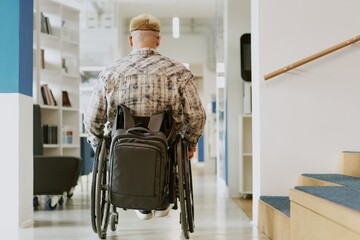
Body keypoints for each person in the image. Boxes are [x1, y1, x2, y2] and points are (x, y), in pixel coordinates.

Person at [83, 13, 206, 220]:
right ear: (158, 40)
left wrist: (99, 146)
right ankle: (161, 198)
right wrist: (191, 142)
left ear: (131, 40)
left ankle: (139, 203)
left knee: (113, 143)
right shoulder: (178, 71)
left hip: (122, 145)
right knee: (171, 144)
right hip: (164, 142)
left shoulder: (111, 72)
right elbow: (197, 115)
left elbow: (93, 118)